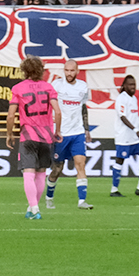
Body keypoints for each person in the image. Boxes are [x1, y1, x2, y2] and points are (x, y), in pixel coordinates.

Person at [6, 55, 58, 219]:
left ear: (24, 71)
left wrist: (9, 134)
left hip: (28, 135)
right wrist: (58, 131)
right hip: (46, 136)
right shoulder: (49, 87)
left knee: (28, 172)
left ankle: (35, 210)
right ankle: (32, 207)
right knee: (41, 173)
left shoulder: (18, 88)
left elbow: (10, 115)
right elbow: (58, 111)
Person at [47, 60, 94, 210]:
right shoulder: (56, 85)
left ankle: (82, 201)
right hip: (61, 133)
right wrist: (49, 119)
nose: (69, 73)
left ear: (77, 71)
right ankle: (49, 197)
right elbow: (47, 104)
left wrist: (86, 129)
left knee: (80, 165)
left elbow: (83, 108)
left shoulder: (83, 87)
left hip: (77, 133)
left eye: (72, 71)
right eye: (66, 70)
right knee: (57, 170)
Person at [108, 74, 139, 197]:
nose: (133, 87)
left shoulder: (134, 99)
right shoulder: (121, 98)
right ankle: (114, 190)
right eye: (130, 85)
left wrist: (137, 130)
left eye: (134, 85)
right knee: (120, 161)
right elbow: (123, 117)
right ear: (124, 86)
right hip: (124, 137)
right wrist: (135, 129)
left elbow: (134, 116)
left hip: (135, 137)